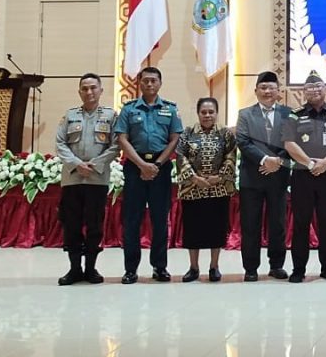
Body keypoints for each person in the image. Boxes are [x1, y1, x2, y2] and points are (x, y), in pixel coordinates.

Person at [114, 66, 183, 284]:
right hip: (135, 167)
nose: (150, 84)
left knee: (160, 220)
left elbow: (175, 139)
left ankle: (159, 267)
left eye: (154, 80)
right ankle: (130, 269)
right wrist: (142, 165)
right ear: (139, 83)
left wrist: (157, 164)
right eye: (145, 80)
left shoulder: (170, 109)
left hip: (160, 169)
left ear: (160, 83)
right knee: (132, 220)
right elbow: (122, 139)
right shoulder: (129, 109)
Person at [282, 70, 326, 283]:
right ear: (304, 91)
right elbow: (289, 143)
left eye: (318, 86)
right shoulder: (295, 115)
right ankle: (298, 269)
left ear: (325, 89)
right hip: (303, 174)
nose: (314, 90)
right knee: (301, 223)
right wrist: (310, 163)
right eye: (310, 87)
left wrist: (325, 162)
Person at [54, 72, 119, 285]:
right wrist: (76, 164)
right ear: (79, 91)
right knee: (71, 225)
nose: (89, 92)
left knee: (94, 225)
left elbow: (116, 145)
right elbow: (60, 143)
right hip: (72, 180)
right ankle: (74, 269)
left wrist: (94, 165)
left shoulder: (110, 116)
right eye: (85, 88)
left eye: (93, 88)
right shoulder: (70, 115)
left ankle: (91, 268)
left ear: (101, 90)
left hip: (96, 180)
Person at [235, 70, 293, 282]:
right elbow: (243, 142)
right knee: (250, 225)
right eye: (263, 87)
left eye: (271, 88)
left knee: (278, 224)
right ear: (256, 91)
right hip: (252, 178)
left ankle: (276, 265)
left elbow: (292, 142)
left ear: (278, 91)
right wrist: (265, 160)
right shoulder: (245, 114)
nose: (267, 91)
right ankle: (250, 268)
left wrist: (277, 161)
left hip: (278, 177)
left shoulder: (288, 113)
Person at [176, 97, 237, 283]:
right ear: (198, 113)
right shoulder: (187, 133)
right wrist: (195, 178)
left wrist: (220, 176)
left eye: (211, 112)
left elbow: (231, 155)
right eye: (204, 112)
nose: (207, 115)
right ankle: (193, 267)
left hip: (218, 189)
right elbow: (180, 156)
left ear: (217, 113)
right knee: (193, 230)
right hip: (193, 189)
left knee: (216, 229)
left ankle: (214, 266)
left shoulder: (226, 134)